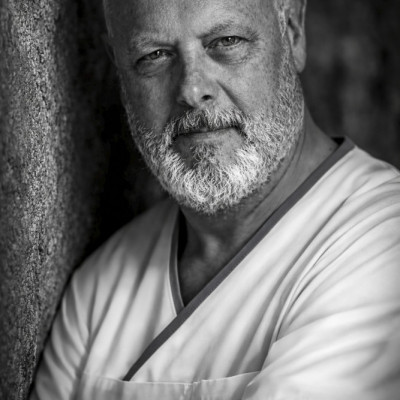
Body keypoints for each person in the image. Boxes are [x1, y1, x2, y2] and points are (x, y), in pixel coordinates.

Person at [30, 0, 400, 398]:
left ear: (292, 31)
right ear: (118, 68)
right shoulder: (97, 289)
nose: (192, 90)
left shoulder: (384, 242)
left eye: (226, 41)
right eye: (154, 55)